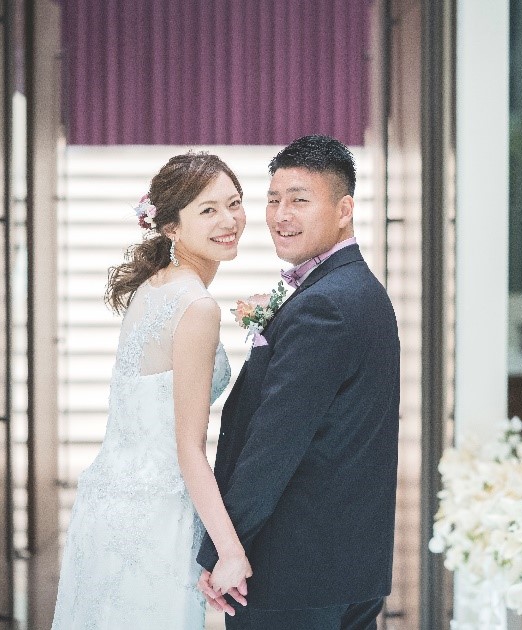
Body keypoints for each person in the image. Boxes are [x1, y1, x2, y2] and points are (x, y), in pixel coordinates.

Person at [196, 135, 401, 630]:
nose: (280, 215)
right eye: (273, 200)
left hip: (294, 576)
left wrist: (225, 547)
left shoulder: (325, 305)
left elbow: (274, 445)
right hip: (345, 570)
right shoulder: (359, 290)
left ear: (344, 210)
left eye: (299, 200)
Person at [51, 152, 252, 629]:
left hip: (108, 500)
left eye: (234, 203)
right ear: (171, 227)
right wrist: (230, 550)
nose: (229, 221)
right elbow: (188, 448)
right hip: (157, 513)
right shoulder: (197, 305)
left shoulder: (155, 286)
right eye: (208, 210)